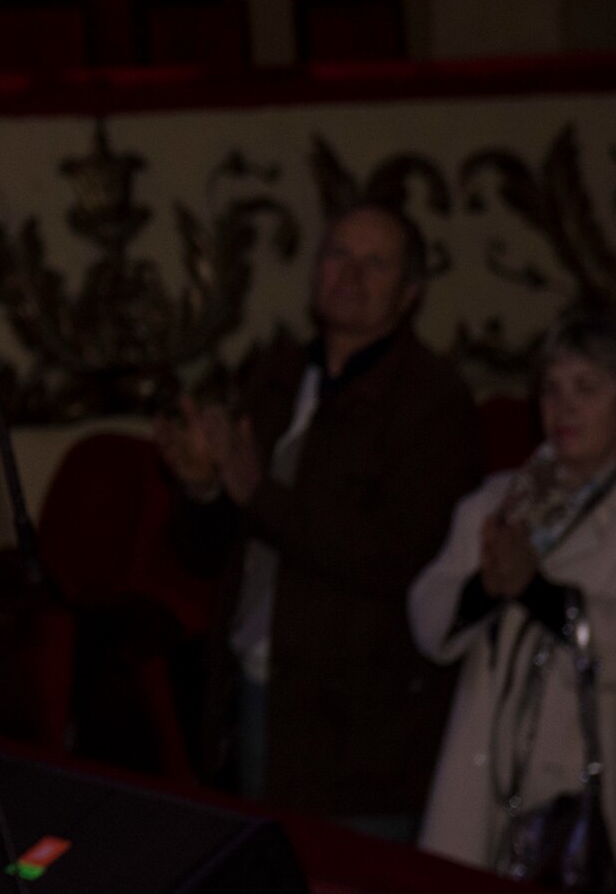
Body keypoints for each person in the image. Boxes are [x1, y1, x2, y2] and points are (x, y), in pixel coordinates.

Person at [157, 202, 481, 838]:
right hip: (256, 695)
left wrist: (260, 495)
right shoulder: (276, 376)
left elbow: (401, 554)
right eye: (338, 255)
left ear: (410, 292)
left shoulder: (433, 402)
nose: (350, 275)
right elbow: (209, 555)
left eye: (375, 263)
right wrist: (201, 489)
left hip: (362, 733)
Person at [409, 309, 616, 891]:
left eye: (586, 389)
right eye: (551, 389)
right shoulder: (498, 501)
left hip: (601, 797)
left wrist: (537, 592)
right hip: (483, 788)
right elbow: (428, 613)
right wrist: (486, 587)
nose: (563, 407)